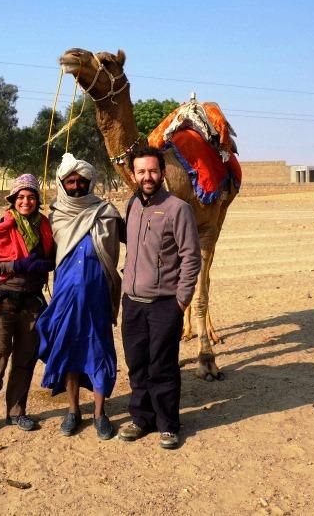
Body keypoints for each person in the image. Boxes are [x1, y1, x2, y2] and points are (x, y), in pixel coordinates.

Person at [118, 146, 201, 450]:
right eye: (141, 171)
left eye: (153, 171)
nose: (147, 177)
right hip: (133, 303)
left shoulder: (178, 208)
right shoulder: (132, 205)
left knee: (162, 366)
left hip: (165, 303)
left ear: (162, 173)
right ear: (133, 175)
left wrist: (181, 300)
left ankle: (168, 424)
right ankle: (141, 418)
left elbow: (191, 257)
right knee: (137, 364)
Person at [36, 153, 123, 440]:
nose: (76, 185)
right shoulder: (55, 217)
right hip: (66, 299)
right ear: (63, 183)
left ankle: (100, 414)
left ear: (90, 182)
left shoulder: (107, 213)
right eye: (70, 181)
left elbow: (135, 238)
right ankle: (73, 411)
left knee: (99, 353)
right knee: (70, 352)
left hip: (98, 297)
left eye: (81, 180)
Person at [0, 174, 55, 437]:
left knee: (24, 360)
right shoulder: (1, 227)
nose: (26, 201)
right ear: (13, 200)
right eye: (21, 197)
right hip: (3, 302)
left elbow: (52, 258)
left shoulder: (45, 227)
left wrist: (45, 263)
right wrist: (15, 265)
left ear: (37, 200)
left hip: (31, 303)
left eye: (31, 197)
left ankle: (16, 411)